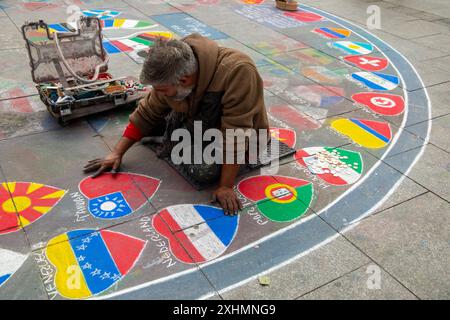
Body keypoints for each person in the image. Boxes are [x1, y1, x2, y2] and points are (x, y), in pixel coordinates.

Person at [83, 33, 269, 215]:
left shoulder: (238, 71)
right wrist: (117, 152)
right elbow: (147, 111)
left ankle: (179, 139)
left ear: (184, 80)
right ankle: (178, 136)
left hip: (240, 136)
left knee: (203, 171)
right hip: (197, 122)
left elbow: (235, 134)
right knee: (149, 122)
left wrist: (226, 186)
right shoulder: (174, 68)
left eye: (163, 90)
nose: (160, 93)